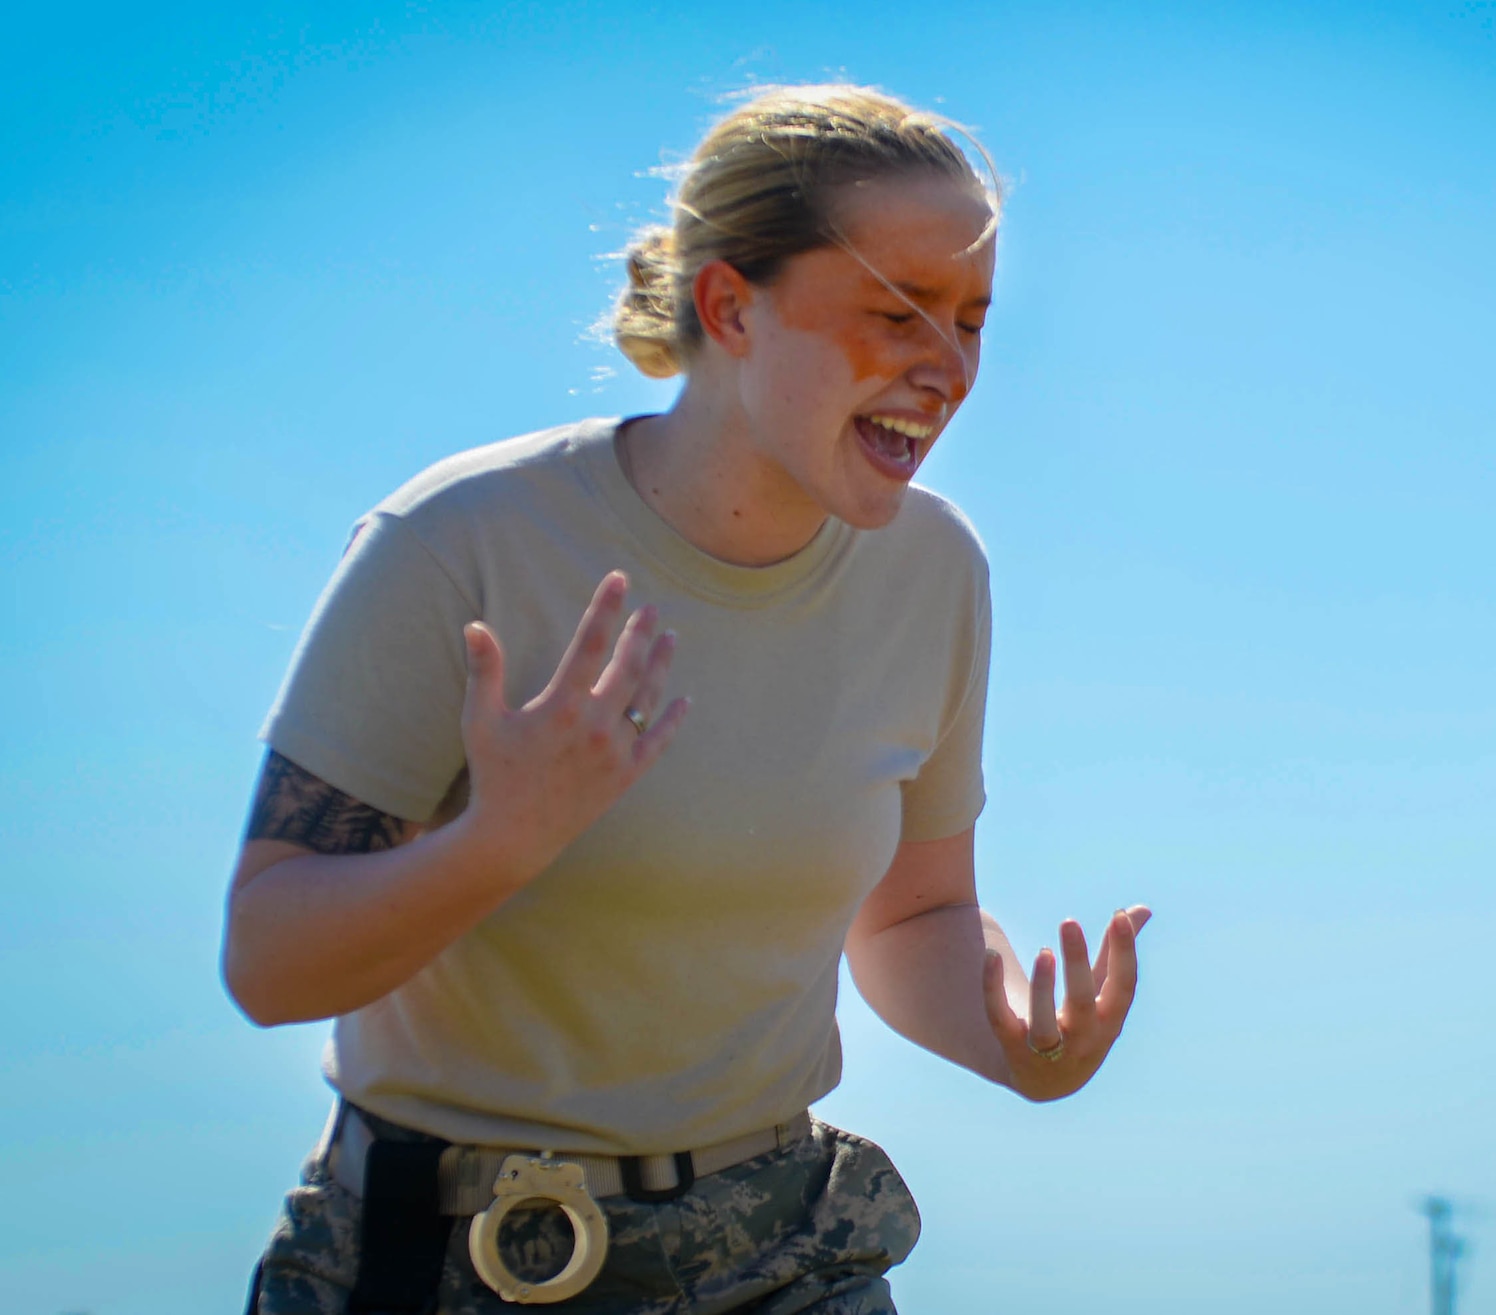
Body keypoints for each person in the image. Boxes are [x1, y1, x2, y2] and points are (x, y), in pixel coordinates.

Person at [224, 84, 1150, 1315]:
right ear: (728, 306)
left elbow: (915, 913)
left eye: (973, 321)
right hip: (428, 1258)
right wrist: (503, 839)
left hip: (779, 1256)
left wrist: (1016, 1045)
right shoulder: (458, 543)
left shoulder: (934, 571)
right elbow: (270, 963)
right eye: (897, 311)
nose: (948, 370)